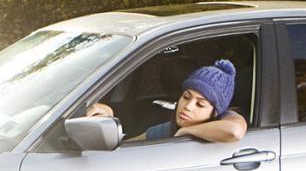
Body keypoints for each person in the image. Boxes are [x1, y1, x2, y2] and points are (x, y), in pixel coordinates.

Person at [88, 59, 247, 143]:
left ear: (215, 112)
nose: (188, 107)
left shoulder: (226, 117)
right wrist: (110, 113)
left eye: (200, 104)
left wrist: (185, 132)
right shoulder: (166, 128)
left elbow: (235, 131)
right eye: (186, 96)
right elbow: (129, 147)